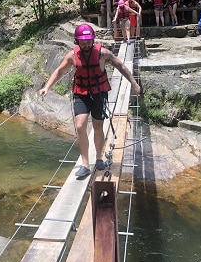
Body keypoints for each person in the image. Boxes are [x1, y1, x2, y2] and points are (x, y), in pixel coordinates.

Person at [39, 24, 141, 177]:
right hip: (81, 93)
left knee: (98, 125)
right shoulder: (72, 56)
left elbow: (120, 65)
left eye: (88, 41)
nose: (86, 44)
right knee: (80, 126)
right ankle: (85, 164)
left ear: (93, 40)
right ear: (77, 41)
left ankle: (99, 158)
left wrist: (133, 82)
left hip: (99, 94)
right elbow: (59, 71)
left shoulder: (102, 53)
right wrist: (47, 87)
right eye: (82, 41)